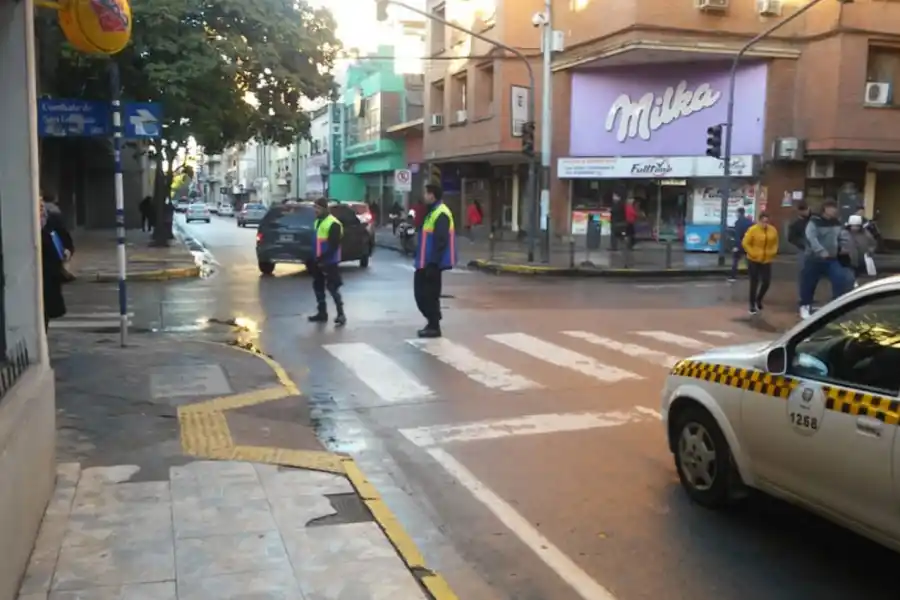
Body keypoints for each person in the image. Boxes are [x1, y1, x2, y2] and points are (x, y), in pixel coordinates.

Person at [414, 184, 456, 338]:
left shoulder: (441, 213)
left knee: (429, 295)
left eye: (426, 193)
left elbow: (441, 241)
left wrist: (433, 263)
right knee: (421, 295)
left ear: (432, 195)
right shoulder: (431, 211)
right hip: (423, 261)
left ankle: (434, 325)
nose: (424, 196)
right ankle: (432, 321)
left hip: (431, 263)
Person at [799, 199, 853, 319]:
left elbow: (842, 236)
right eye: (831, 208)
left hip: (832, 258)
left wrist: (843, 247)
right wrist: (821, 251)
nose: (834, 210)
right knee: (809, 283)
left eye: (835, 208)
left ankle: (836, 305)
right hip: (813, 258)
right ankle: (805, 305)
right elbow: (811, 238)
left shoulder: (836, 223)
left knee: (839, 278)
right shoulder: (814, 222)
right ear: (825, 209)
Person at [306, 198, 346, 326]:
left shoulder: (334, 223)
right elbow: (316, 241)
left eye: (317, 208)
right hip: (318, 260)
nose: (315, 210)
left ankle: (341, 314)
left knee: (332, 287)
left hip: (330, 261)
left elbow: (333, 245)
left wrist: (322, 258)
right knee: (318, 286)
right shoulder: (318, 222)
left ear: (324, 209)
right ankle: (322, 313)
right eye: (314, 208)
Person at [40, 197, 74, 332]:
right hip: (31, 275)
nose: (40, 206)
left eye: (41, 202)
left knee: (45, 313)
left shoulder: (52, 220)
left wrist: (67, 251)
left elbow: (67, 241)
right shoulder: (24, 223)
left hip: (50, 276)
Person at [741, 211, 779, 314]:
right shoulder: (753, 230)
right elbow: (745, 243)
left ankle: (759, 299)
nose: (764, 224)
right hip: (753, 259)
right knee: (754, 282)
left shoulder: (773, 230)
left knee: (766, 282)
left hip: (766, 260)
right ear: (759, 221)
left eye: (766, 222)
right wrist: (752, 253)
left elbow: (775, 243)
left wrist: (773, 252)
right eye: (763, 221)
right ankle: (752, 304)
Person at [840, 214, 877, 288]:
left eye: (857, 226)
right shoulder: (844, 233)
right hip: (848, 258)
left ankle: (856, 283)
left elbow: (873, 243)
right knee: (849, 273)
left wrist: (870, 251)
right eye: (853, 226)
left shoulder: (866, 234)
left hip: (861, 258)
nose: (855, 228)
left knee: (858, 272)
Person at [727, 207, 753, 283]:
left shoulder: (738, 222)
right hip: (748, 244)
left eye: (736, 213)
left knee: (735, 260)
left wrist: (736, 246)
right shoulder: (750, 222)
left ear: (739, 213)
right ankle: (752, 275)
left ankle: (733, 276)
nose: (736, 214)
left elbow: (737, 235)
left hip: (740, 244)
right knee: (749, 260)